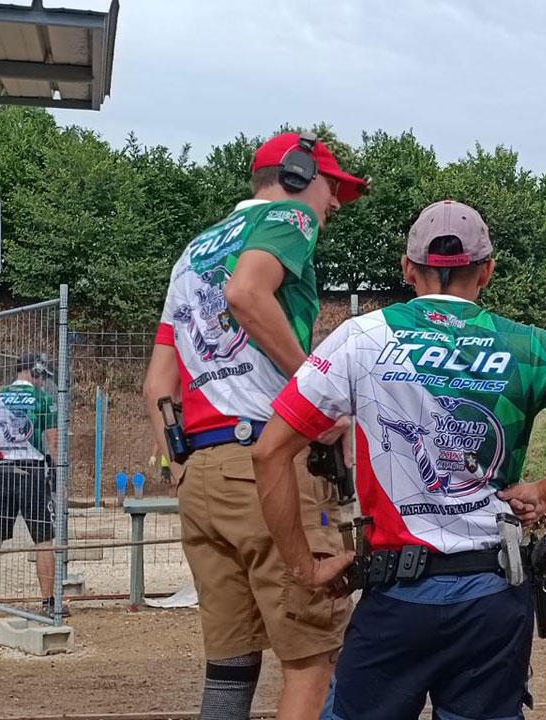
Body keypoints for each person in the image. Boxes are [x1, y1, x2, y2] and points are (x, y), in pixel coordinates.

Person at [250, 200, 546, 720]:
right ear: (486, 271)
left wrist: (304, 565)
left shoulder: (361, 338)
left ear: (408, 268)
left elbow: (269, 451)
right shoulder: (530, 345)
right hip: (492, 597)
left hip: (396, 597)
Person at [141, 131, 367, 720]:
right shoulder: (290, 217)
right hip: (268, 464)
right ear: (298, 176)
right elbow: (245, 293)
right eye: (331, 187)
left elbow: (158, 385)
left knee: (230, 664)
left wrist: (182, 467)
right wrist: (318, 393)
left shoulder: (192, 252)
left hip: (202, 473)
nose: (334, 203)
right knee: (312, 658)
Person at [0, 351, 60, 616]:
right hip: (33, 472)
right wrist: (58, 473)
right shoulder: (43, 399)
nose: (43, 381)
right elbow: (54, 441)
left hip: (2, 472)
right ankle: (49, 603)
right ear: (35, 371)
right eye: (42, 375)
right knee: (44, 541)